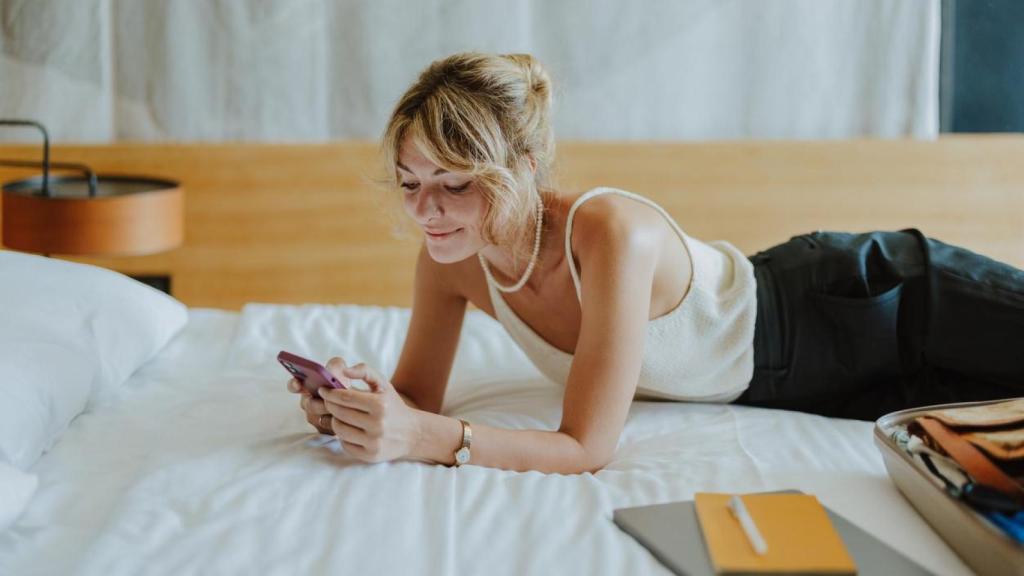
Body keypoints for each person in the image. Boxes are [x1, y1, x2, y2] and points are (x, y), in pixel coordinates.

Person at [285, 52, 1024, 474]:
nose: (427, 212)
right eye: (411, 186)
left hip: (866, 298)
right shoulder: (449, 261)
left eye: (455, 185)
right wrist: (359, 405)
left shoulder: (611, 232)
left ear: (524, 169)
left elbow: (584, 447)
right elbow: (418, 397)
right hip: (803, 386)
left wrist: (422, 440)